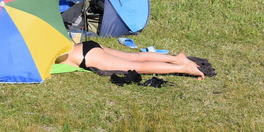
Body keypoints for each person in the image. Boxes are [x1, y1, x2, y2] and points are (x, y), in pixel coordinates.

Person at [55, 40, 206, 79]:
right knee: (134, 57)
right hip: (85, 46)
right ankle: (176, 59)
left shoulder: (36, 54)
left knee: (136, 66)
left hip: (87, 57)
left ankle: (183, 68)